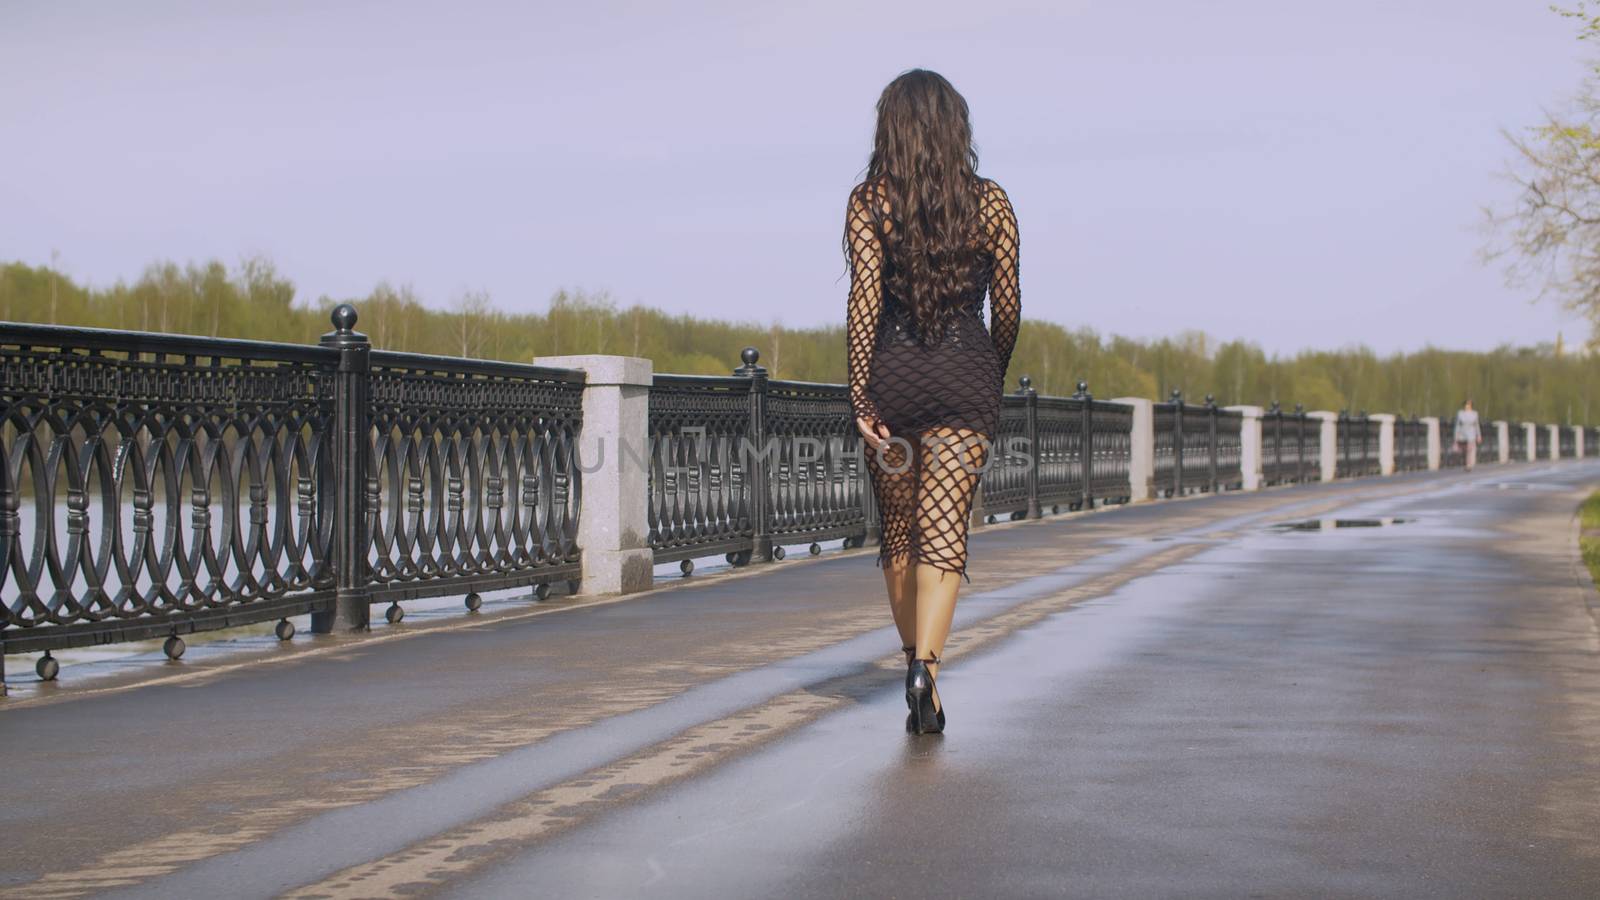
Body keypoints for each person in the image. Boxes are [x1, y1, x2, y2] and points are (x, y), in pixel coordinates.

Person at [842, 69, 1021, 735]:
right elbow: (1008, 308)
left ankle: (913, 666)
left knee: (898, 536)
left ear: (890, 128)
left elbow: (864, 302)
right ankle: (928, 669)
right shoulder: (993, 204)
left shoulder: (869, 204)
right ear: (956, 129)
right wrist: (988, 374)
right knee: (944, 532)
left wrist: (860, 391)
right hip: (965, 382)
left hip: (895, 381)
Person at [1453, 399, 1482, 471]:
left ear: (1471, 406)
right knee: (1463, 450)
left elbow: (1476, 425)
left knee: (1470, 450)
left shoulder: (1474, 414)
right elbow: (1457, 425)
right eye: (1466, 404)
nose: (1467, 406)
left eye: (1469, 405)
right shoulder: (1460, 413)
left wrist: (1479, 435)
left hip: (1471, 434)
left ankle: (1468, 465)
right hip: (1462, 434)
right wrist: (1456, 436)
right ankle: (1465, 462)